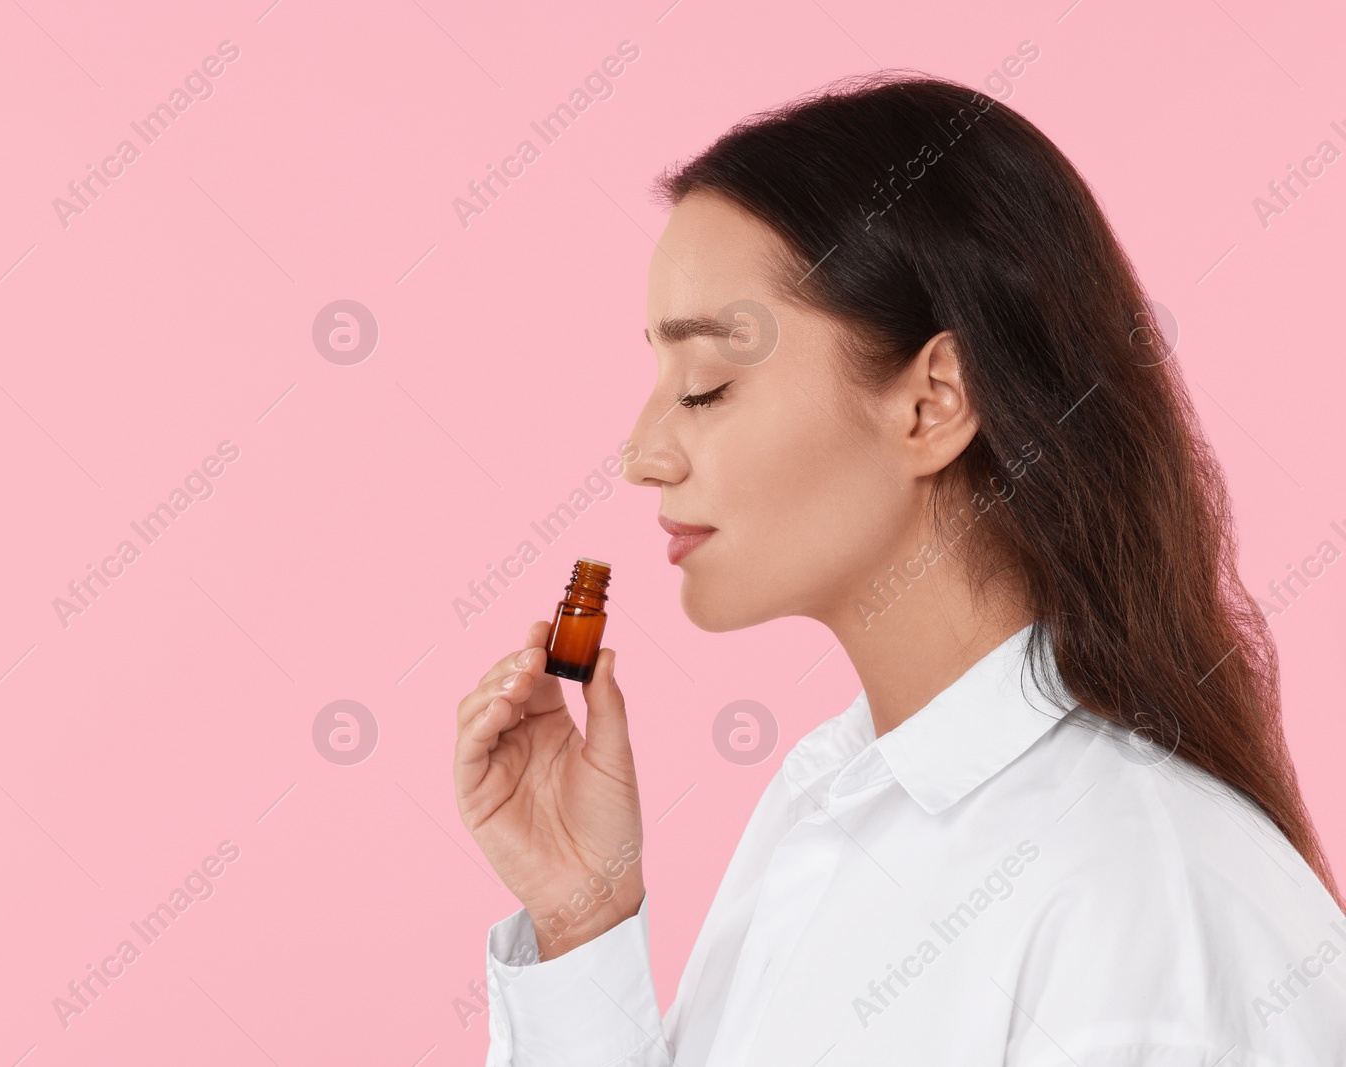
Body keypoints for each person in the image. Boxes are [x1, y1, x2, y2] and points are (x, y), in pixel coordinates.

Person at [451, 72, 1346, 1066]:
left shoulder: (1140, 894)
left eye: (704, 387)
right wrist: (582, 919)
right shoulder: (824, 806)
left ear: (931, 403)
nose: (640, 454)